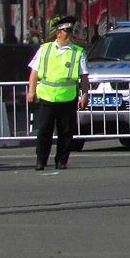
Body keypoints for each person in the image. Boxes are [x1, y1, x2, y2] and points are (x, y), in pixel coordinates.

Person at [27, 15, 89, 171]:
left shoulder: (78, 52)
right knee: (44, 131)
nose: (69, 34)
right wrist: (31, 91)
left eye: (71, 31)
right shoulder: (44, 49)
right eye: (66, 31)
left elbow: (84, 76)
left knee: (65, 132)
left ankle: (61, 161)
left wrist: (84, 94)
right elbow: (34, 73)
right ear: (58, 33)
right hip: (46, 97)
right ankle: (41, 161)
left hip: (67, 98)